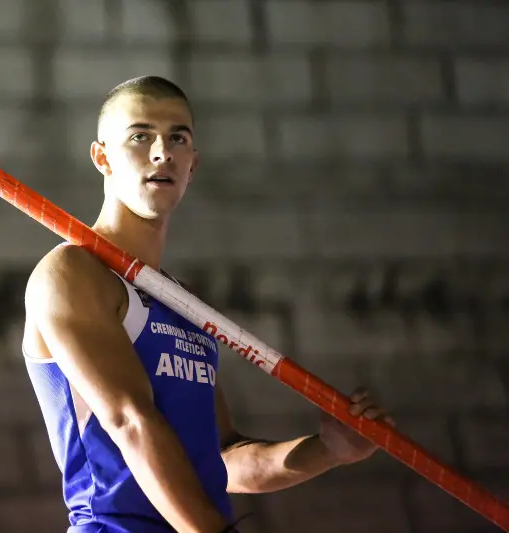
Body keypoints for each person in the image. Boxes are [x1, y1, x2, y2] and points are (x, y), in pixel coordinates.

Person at [22, 76, 394, 533]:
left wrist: (328, 450)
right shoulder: (73, 273)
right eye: (140, 136)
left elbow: (223, 462)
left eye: (178, 137)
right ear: (102, 158)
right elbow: (130, 423)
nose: (163, 152)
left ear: (192, 164)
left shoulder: (183, 306)